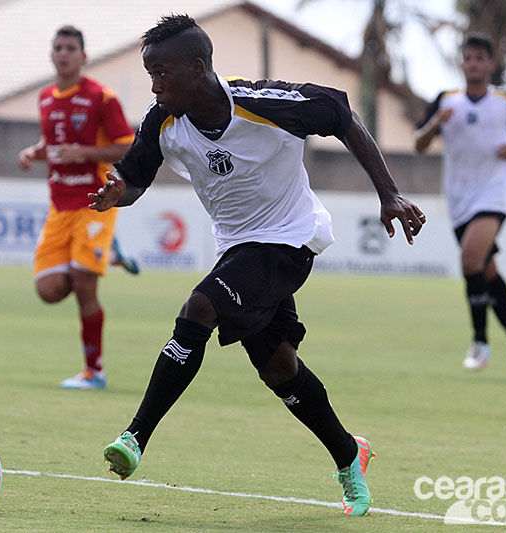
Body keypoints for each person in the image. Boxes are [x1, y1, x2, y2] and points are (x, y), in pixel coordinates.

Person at [88, 14, 426, 516]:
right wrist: (118, 192)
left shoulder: (266, 103)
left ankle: (134, 438)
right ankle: (349, 453)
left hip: (291, 240)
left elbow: (341, 114)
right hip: (239, 249)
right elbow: (135, 177)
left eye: (161, 73)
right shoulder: (162, 121)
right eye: (149, 74)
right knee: (278, 367)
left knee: (200, 307)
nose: (154, 85)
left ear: (196, 68)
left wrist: (389, 193)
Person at [18, 25, 138, 390]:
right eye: (58, 47)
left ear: (83, 57)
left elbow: (127, 145)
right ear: (51, 54)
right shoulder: (45, 98)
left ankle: (94, 372)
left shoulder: (101, 98)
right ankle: (107, 254)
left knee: (85, 285)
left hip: (94, 203)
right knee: (48, 289)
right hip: (60, 205)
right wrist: (33, 152)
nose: (63, 53)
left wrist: (85, 153)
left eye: (71, 48)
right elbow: (52, 141)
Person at [414, 32, 506, 375]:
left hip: (495, 190)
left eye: (480, 58)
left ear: (491, 63)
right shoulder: (446, 100)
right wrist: (436, 123)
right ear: (462, 63)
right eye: (468, 58)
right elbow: (419, 143)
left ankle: (480, 341)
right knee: (486, 269)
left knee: (469, 258)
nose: (474, 64)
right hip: (459, 195)